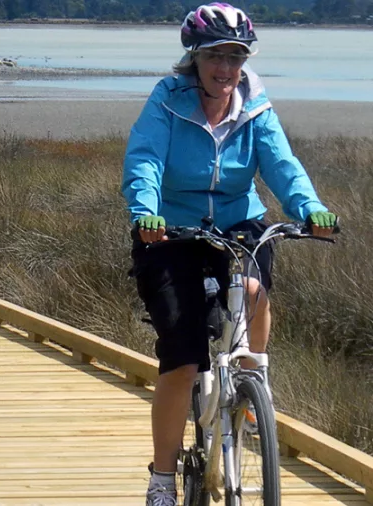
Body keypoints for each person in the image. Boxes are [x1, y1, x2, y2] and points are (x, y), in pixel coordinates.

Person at [120, 4, 338, 505]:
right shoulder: (167, 101)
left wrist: (311, 207)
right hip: (169, 230)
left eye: (236, 57)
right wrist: (145, 211)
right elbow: (146, 159)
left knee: (256, 289)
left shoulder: (255, 104)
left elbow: (281, 162)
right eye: (215, 56)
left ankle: (251, 376)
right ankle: (161, 478)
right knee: (182, 356)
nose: (226, 69)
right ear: (194, 58)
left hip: (239, 224)